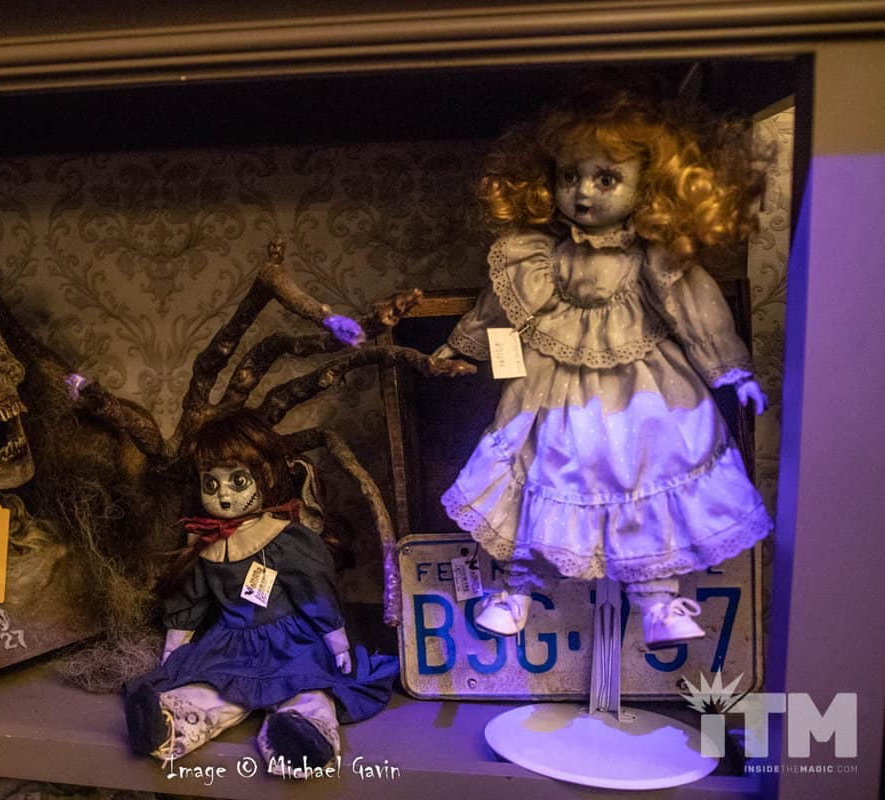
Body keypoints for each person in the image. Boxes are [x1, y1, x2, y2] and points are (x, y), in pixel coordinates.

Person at [435, 87, 772, 648]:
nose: (584, 192)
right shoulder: (536, 256)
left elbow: (698, 312)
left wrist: (731, 370)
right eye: (570, 175)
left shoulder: (655, 258)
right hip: (551, 392)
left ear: (651, 185)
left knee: (644, 483)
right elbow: (502, 307)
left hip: (641, 395)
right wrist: (461, 346)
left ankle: (657, 599)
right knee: (537, 479)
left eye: (606, 178)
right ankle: (516, 589)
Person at [123, 410, 397, 772]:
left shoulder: (285, 540)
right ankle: (167, 724)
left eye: (237, 481)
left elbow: (313, 591)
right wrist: (174, 648)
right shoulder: (207, 546)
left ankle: (300, 735)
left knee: (308, 687)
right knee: (213, 686)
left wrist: (337, 642)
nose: (223, 495)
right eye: (211, 484)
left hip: (290, 640)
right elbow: (190, 598)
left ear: (264, 476)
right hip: (230, 642)